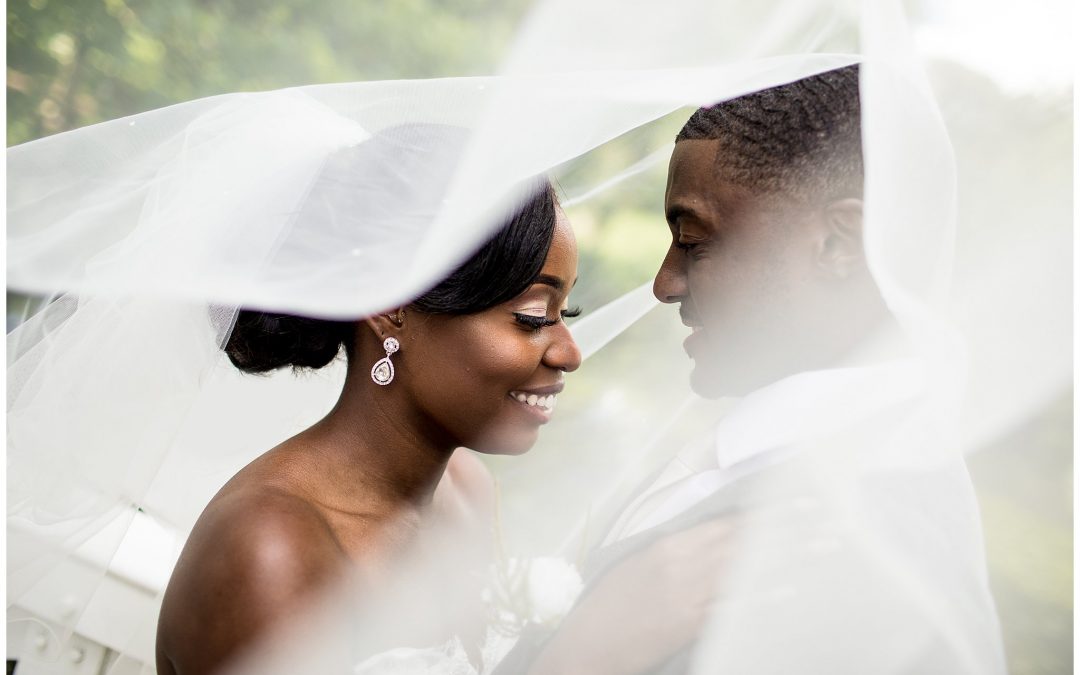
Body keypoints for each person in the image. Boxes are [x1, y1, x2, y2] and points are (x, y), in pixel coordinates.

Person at [496, 65, 1007, 675]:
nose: (663, 285)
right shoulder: (749, 449)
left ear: (840, 244)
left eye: (693, 240)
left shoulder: (865, 554)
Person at [152, 127, 584, 675]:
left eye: (565, 315)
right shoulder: (271, 548)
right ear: (389, 307)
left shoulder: (465, 492)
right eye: (532, 318)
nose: (569, 353)